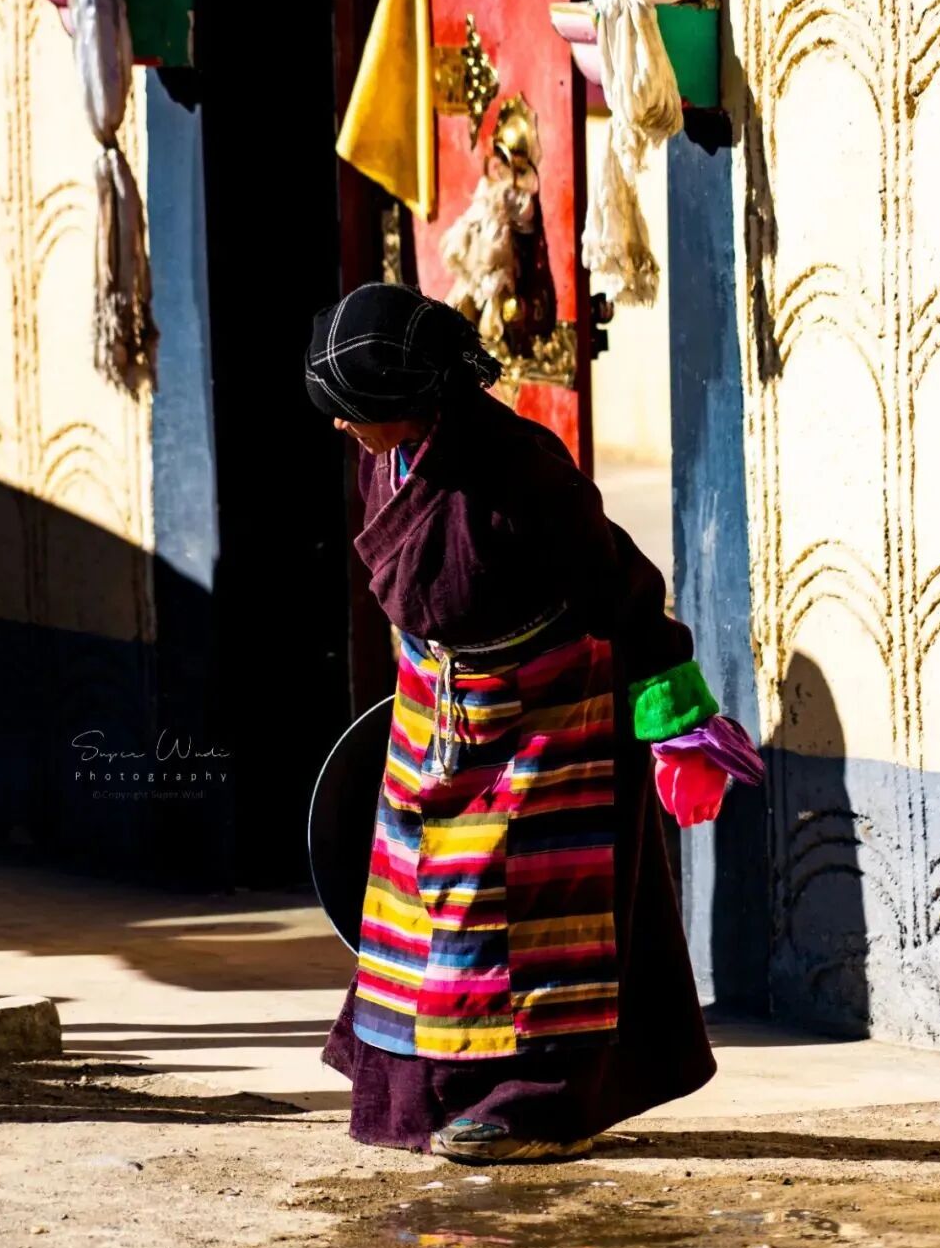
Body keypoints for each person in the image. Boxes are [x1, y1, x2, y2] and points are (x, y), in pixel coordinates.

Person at [304, 282, 763, 1163]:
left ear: (407, 398)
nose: (339, 423)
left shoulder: (519, 470)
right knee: (428, 909)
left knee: (529, 921)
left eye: (351, 406)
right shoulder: (386, 457)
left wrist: (672, 708)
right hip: (440, 710)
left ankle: (539, 1106)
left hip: (548, 714)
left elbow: (620, 579)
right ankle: (427, 1096)